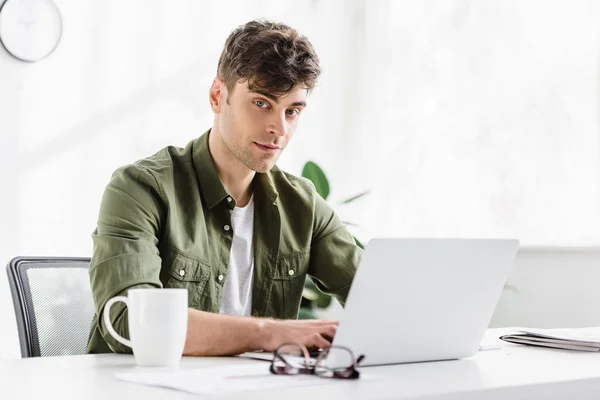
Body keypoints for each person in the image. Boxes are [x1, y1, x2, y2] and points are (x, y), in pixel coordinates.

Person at [87, 19, 362, 356]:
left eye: (292, 111)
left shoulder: (303, 204)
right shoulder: (139, 189)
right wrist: (269, 333)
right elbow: (128, 323)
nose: (279, 129)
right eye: (262, 103)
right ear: (219, 96)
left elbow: (378, 300)